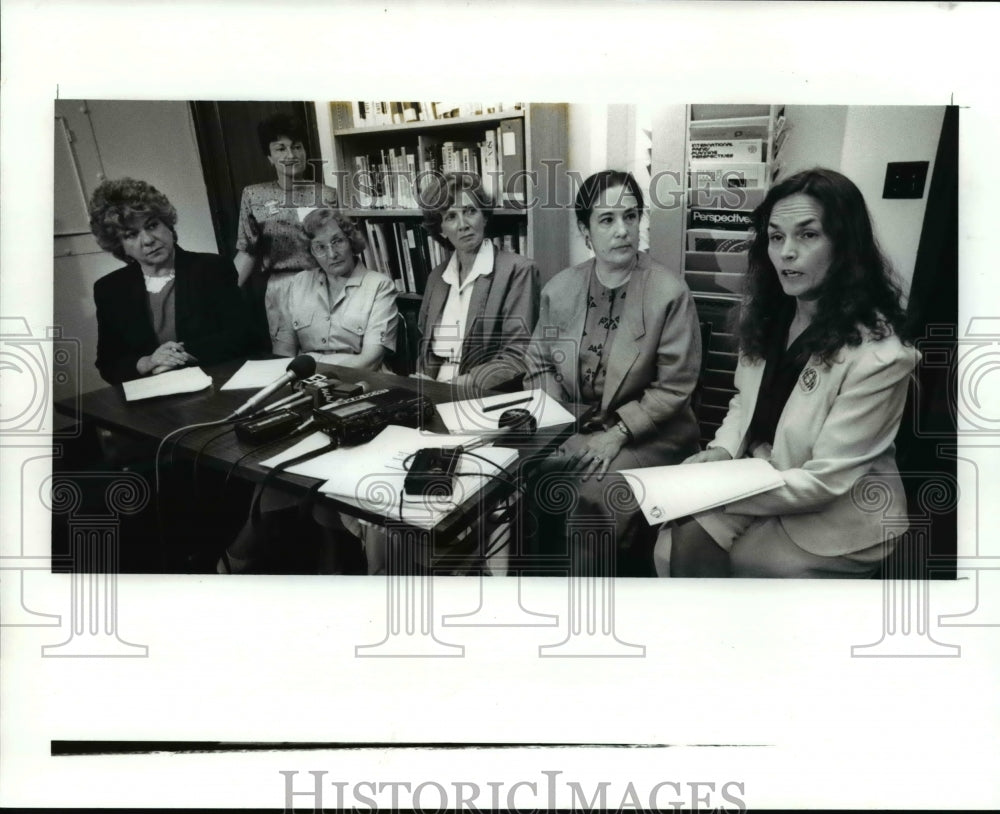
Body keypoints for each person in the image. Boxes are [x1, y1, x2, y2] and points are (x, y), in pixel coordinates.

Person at [667, 168, 918, 578]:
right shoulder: (767, 316)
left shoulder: (883, 356)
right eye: (776, 236)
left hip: (839, 507)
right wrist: (724, 451)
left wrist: (719, 489)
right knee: (686, 533)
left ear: (845, 246)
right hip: (764, 475)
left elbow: (826, 482)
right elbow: (742, 404)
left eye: (807, 234)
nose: (786, 252)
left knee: (749, 561)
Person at [525, 170, 702, 574]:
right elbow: (538, 361)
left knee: (595, 492)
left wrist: (616, 434)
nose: (622, 230)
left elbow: (673, 389)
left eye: (630, 216)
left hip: (652, 434)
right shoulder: (560, 289)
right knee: (531, 473)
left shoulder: (669, 293)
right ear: (586, 231)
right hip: (576, 427)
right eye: (606, 220)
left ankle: (598, 610)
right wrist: (556, 420)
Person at [89, 178, 250, 385]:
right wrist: (147, 362)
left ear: (168, 225)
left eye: (152, 225)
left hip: (215, 385)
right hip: (150, 397)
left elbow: (242, 336)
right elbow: (108, 364)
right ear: (120, 246)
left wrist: (178, 356)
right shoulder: (110, 289)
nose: (148, 240)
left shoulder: (213, 268)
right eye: (131, 234)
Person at [416, 172, 539, 390]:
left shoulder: (518, 271)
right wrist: (423, 386)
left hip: (485, 393)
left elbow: (518, 356)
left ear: (484, 217)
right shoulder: (437, 277)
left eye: (470, 211)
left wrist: (454, 386)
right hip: (434, 390)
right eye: (451, 217)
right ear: (441, 230)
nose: (463, 225)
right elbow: (427, 352)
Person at [234, 112, 338, 353]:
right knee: (286, 359)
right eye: (280, 148)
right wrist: (225, 294)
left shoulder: (327, 195)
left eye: (297, 147)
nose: (291, 155)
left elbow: (341, 246)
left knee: (327, 355)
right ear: (269, 157)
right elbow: (247, 251)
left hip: (321, 283)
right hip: (280, 289)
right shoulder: (254, 196)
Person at [273, 207, 398, 371]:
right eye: (320, 247)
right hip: (307, 383)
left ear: (351, 241)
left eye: (337, 241)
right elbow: (283, 354)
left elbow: (370, 361)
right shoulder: (297, 283)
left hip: (361, 381)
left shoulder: (380, 286)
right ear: (311, 252)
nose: (332, 254)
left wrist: (317, 369)